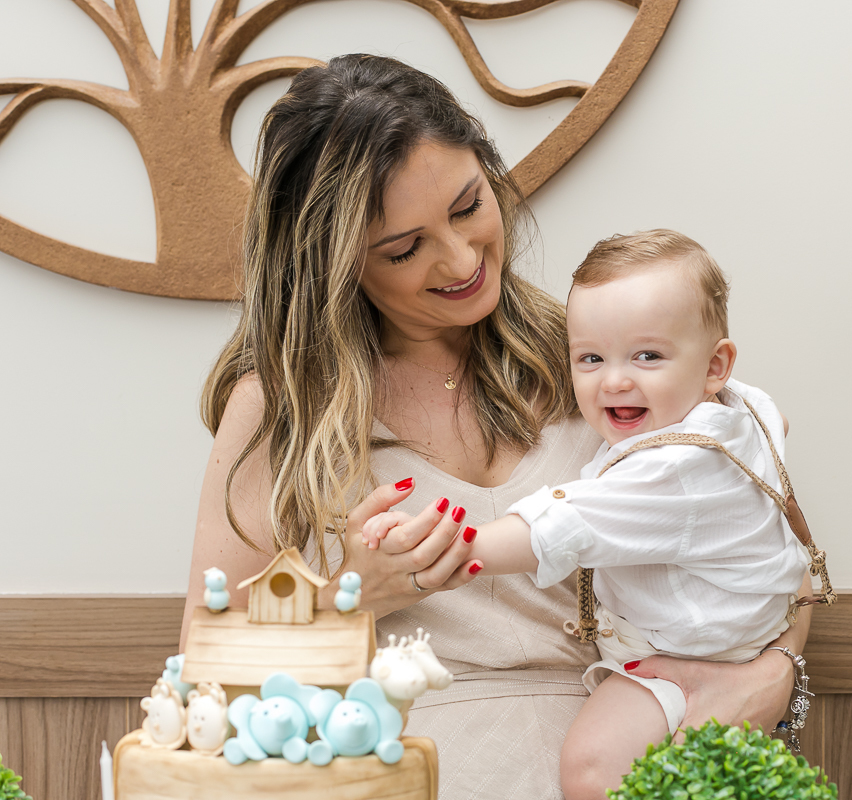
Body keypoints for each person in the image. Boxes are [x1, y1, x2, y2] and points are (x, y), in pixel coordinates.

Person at [181, 54, 812, 800]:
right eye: (404, 248)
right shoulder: (283, 407)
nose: (459, 260)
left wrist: (777, 673)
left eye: (467, 206)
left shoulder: (602, 361)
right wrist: (349, 596)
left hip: (629, 763)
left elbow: (768, 546)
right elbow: (204, 679)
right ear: (334, 263)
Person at [363, 230, 811, 799]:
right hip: (727, 640)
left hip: (688, 662)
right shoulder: (737, 409)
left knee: (591, 768)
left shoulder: (672, 468)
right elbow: (776, 420)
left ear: (715, 364)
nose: (616, 380)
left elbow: (559, 526)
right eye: (591, 359)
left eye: (648, 356)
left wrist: (449, 544)